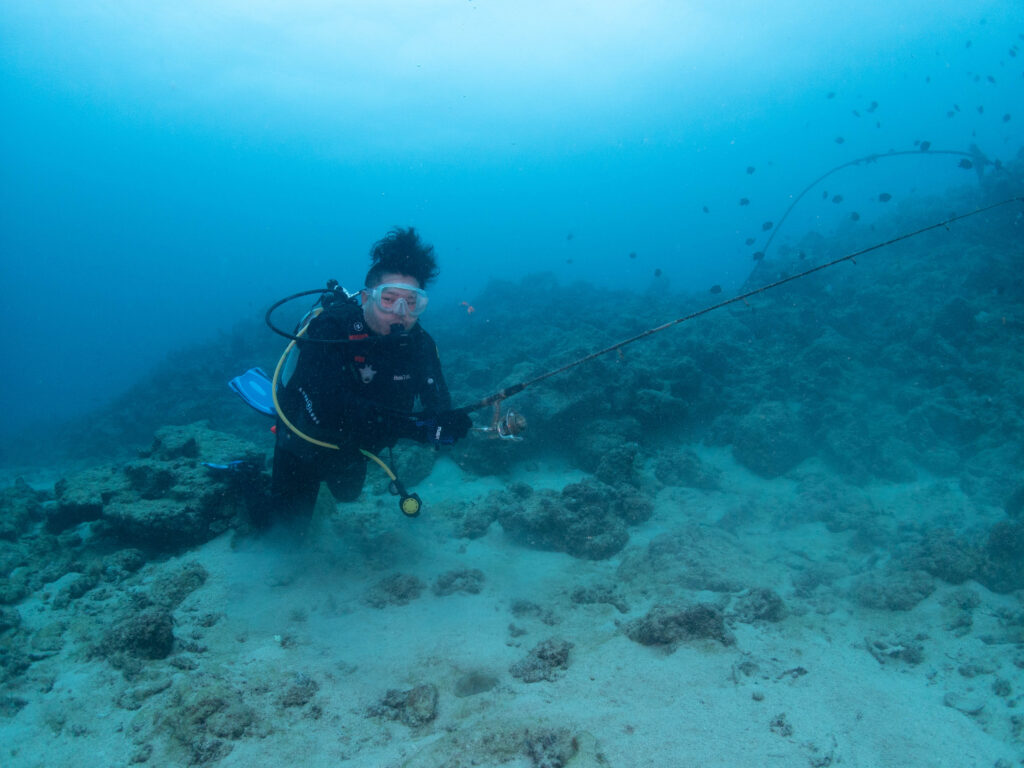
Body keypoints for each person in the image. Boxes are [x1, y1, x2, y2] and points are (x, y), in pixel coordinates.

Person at [268, 227, 472, 523]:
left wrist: (447, 424)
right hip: (304, 442)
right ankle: (244, 476)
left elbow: (436, 403)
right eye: (388, 299)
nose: (400, 312)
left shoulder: (421, 344)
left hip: (357, 448)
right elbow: (327, 406)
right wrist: (415, 429)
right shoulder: (330, 331)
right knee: (284, 531)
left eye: (411, 302)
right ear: (366, 299)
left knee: (347, 494)